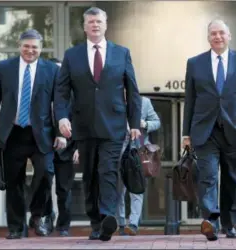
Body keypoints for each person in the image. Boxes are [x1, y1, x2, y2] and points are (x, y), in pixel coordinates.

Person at [54, 7, 142, 242]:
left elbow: (133, 90)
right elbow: (61, 91)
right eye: (91, 21)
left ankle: (106, 219)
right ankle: (95, 221)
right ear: (84, 27)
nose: (95, 25)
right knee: (91, 175)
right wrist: (62, 117)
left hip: (113, 124)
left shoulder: (121, 53)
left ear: (106, 25)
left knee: (108, 170)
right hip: (83, 125)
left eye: (99, 21)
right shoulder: (72, 56)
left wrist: (134, 122)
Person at [182, 19, 236, 241]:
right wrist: (186, 134)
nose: (217, 37)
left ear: (229, 36)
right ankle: (211, 221)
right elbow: (190, 100)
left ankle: (230, 223)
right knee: (207, 176)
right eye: (213, 34)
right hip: (204, 131)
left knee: (232, 179)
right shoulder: (195, 63)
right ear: (208, 38)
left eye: (221, 33)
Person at [0, 29, 65, 239]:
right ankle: (17, 228)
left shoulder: (51, 70)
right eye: (26, 46)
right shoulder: (4, 68)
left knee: (46, 173)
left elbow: (60, 103)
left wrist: (61, 132)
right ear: (20, 46)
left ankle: (37, 215)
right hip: (12, 133)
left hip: (42, 133)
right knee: (14, 182)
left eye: (35, 47)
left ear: (40, 48)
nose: (30, 50)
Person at [29, 58, 77, 237]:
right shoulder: (40, 94)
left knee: (64, 189)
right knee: (44, 183)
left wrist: (78, 147)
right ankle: (45, 219)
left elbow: (81, 121)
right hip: (44, 147)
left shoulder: (73, 95)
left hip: (67, 149)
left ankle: (63, 226)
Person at [116, 96, 161, 236]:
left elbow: (157, 122)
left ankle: (133, 224)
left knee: (137, 188)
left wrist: (145, 124)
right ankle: (121, 223)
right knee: (119, 190)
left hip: (139, 150)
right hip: (118, 151)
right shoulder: (113, 99)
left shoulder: (144, 102)